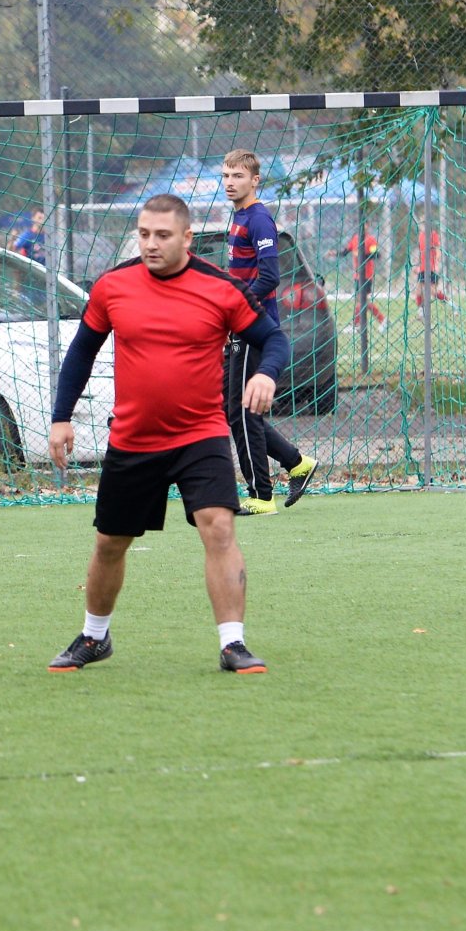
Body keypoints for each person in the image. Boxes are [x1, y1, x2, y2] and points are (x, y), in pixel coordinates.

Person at [45, 193, 291, 675]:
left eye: (161, 235)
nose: (151, 244)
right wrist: (61, 417)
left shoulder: (220, 288)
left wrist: (267, 373)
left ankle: (233, 644)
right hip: (134, 439)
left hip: (200, 436)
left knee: (218, 526)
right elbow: (81, 353)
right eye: (143, 234)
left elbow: (274, 338)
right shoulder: (113, 286)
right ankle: (95, 637)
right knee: (110, 543)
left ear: (187, 238)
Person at [220, 149, 317, 516]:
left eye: (238, 176)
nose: (230, 182)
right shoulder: (238, 216)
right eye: (226, 175)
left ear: (255, 180)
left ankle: (262, 496)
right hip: (238, 326)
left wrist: (236, 308)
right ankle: (297, 463)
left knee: (243, 413)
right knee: (236, 411)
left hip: (254, 327)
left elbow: (270, 278)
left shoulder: (259, 218)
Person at [333, 229, 386, 330]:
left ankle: (357, 324)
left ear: (367, 226)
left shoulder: (370, 240)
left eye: (364, 224)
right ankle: (380, 320)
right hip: (357, 275)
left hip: (367, 275)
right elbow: (345, 252)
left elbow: (376, 255)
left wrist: (362, 255)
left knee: (362, 300)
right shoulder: (355, 238)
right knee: (361, 300)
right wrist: (334, 253)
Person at [413, 225, 449, 309]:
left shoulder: (433, 234)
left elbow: (437, 250)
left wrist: (436, 264)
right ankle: (421, 311)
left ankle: (450, 304)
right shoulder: (421, 235)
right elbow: (421, 253)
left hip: (430, 267)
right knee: (419, 290)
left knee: (433, 291)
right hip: (422, 267)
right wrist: (418, 265)